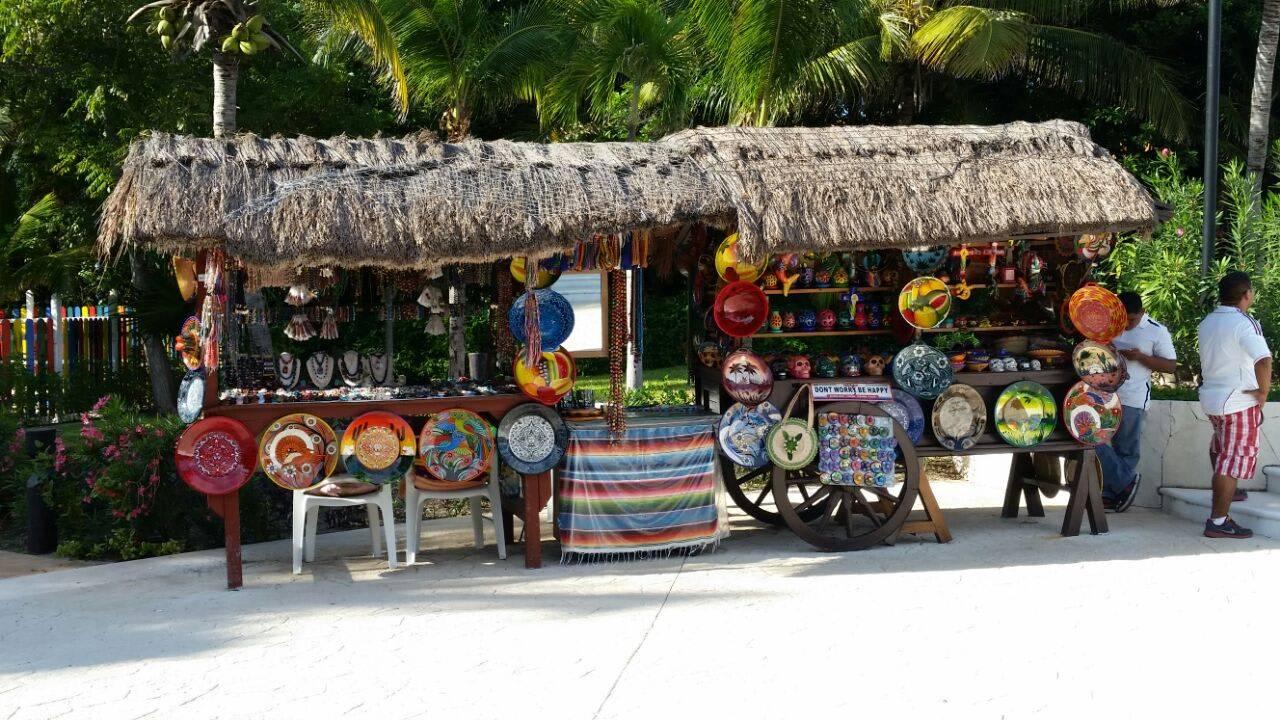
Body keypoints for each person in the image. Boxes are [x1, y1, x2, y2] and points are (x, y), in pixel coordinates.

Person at [1196, 271, 1273, 539]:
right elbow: (1263, 359)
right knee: (1231, 461)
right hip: (1239, 400)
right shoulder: (1244, 323)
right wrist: (1263, 392)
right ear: (1246, 294)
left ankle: (1231, 491)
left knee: (1220, 449)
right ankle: (1218, 521)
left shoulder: (1207, 322)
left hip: (1212, 398)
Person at [1098, 292, 1176, 512]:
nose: (1127, 324)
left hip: (1133, 398)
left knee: (1126, 450)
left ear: (1142, 313)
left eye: (1131, 319)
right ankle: (1124, 484)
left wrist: (1141, 357)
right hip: (1103, 396)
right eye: (1123, 319)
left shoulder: (1156, 331)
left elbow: (1170, 366)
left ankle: (1112, 496)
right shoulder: (1109, 326)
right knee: (1094, 441)